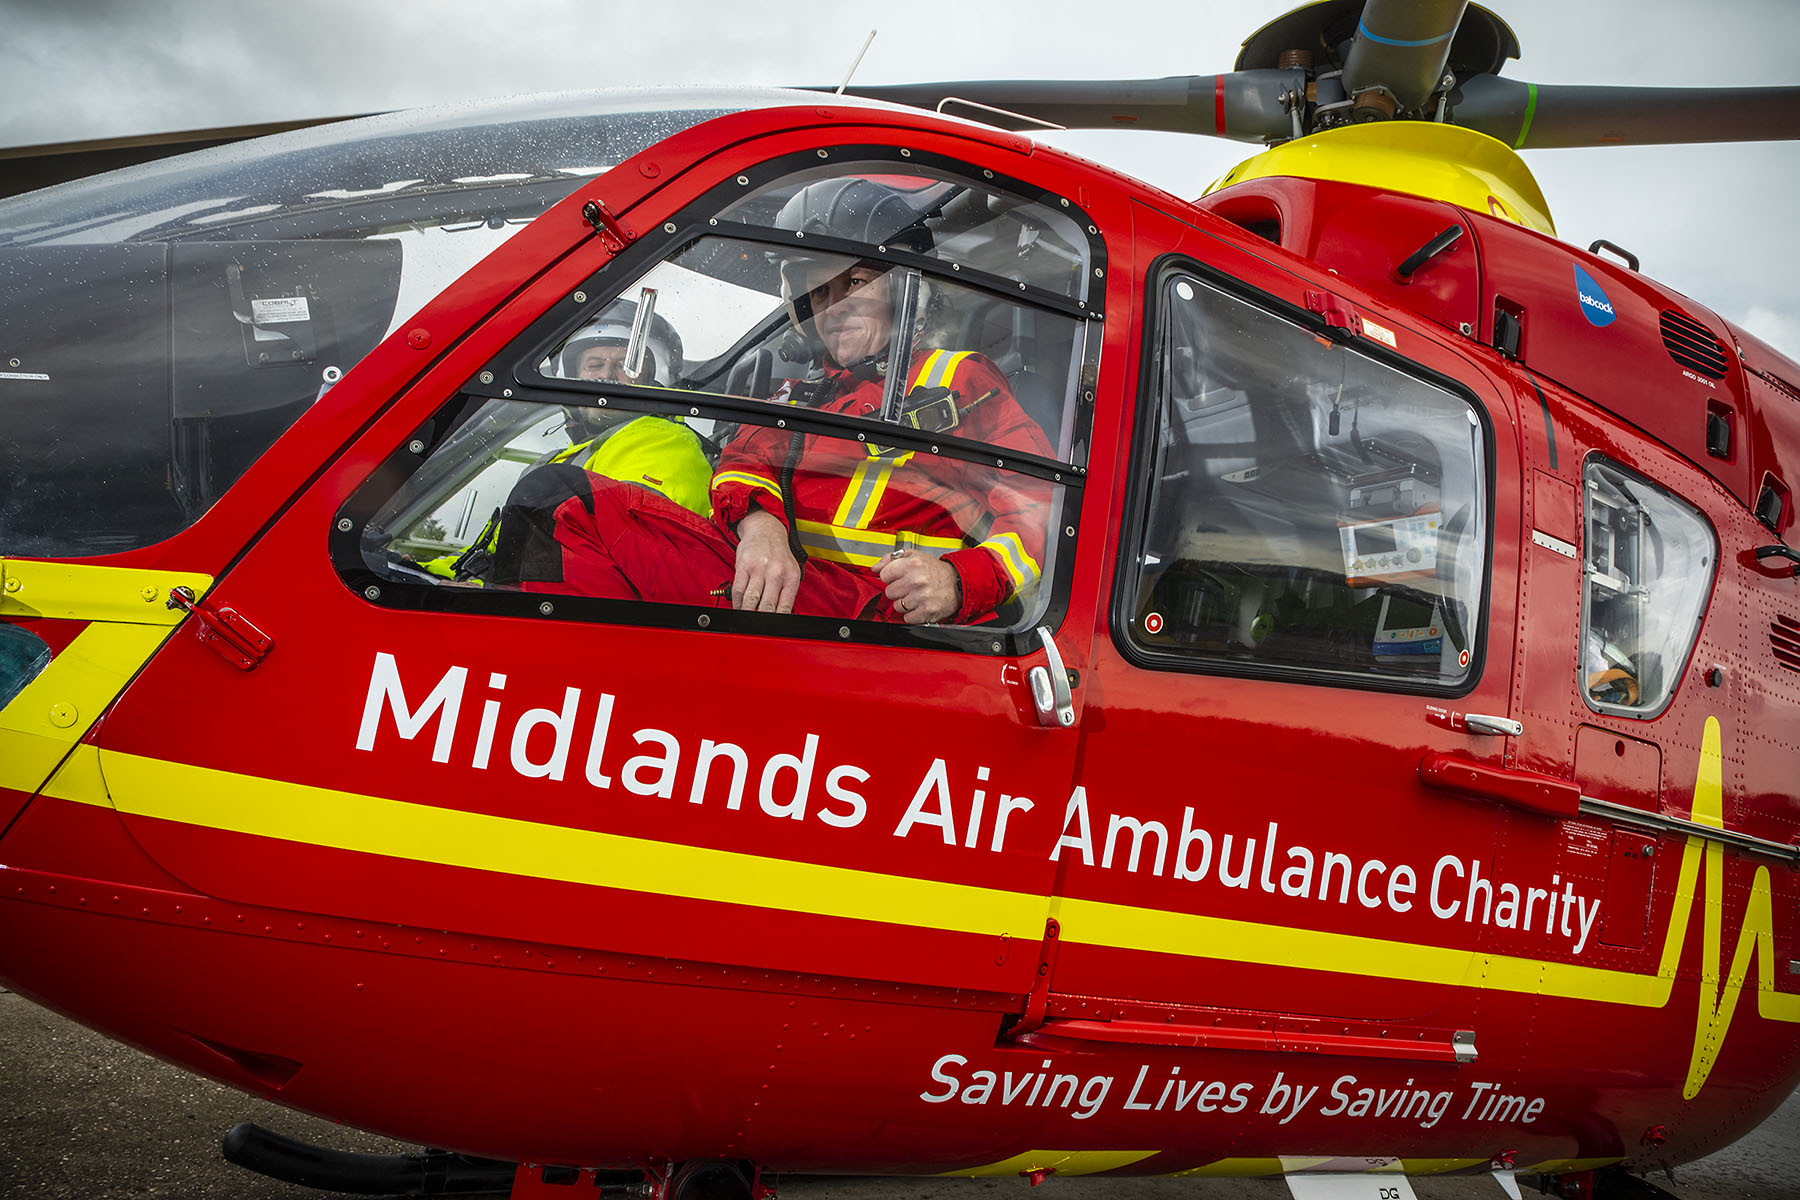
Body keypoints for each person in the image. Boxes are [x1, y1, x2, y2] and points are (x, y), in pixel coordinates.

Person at [536, 178, 1053, 626]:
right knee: (564, 504)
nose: (835, 308)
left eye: (853, 283)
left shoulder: (959, 378)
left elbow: (1038, 511)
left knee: (570, 505)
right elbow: (743, 460)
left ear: (902, 291)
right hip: (791, 599)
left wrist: (958, 582)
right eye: (819, 294)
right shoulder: (801, 391)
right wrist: (761, 529)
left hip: (887, 621)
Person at [420, 301, 711, 584]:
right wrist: (427, 572)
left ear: (653, 378)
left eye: (626, 365)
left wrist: (488, 590)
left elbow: (620, 567)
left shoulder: (660, 440)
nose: (606, 375)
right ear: (572, 376)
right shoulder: (558, 459)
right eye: (594, 364)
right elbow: (496, 556)